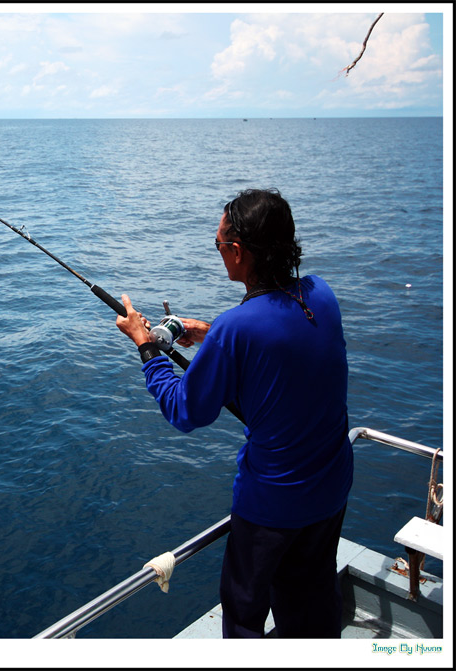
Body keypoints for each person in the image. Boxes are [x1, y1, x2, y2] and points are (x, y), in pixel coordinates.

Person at [115, 188, 353, 638]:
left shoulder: (237, 328)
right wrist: (208, 332)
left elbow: (185, 410)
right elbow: (280, 350)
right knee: (313, 599)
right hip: (331, 487)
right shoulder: (321, 295)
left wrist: (146, 347)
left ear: (239, 252)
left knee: (244, 613)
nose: (220, 252)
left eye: (220, 245)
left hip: (273, 503)